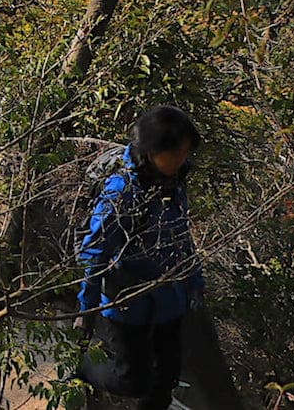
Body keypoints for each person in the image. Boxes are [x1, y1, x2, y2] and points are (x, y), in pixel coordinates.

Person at [76, 104, 205, 410]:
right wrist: (86, 308)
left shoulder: (175, 183)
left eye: (185, 152)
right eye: (176, 152)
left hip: (169, 297)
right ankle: (82, 367)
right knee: (132, 381)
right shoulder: (122, 192)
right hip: (128, 303)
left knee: (165, 380)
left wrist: (194, 281)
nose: (182, 159)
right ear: (151, 151)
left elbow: (180, 234)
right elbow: (95, 252)